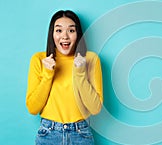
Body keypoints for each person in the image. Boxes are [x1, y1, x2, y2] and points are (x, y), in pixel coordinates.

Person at [25, 10, 103, 145]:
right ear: (52, 34)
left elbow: (95, 108)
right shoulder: (39, 59)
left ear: (78, 34)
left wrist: (79, 73)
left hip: (81, 134)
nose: (65, 36)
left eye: (71, 31)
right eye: (59, 30)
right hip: (48, 133)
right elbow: (33, 108)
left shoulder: (90, 59)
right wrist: (48, 74)